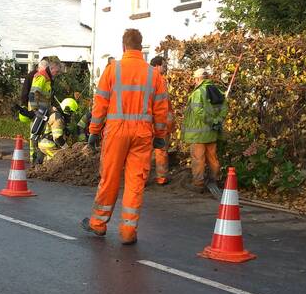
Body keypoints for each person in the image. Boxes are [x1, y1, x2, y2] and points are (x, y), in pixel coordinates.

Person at [82, 29, 171, 245]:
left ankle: (98, 223)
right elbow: (161, 109)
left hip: (116, 132)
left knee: (110, 178)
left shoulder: (113, 70)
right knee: (135, 181)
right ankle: (128, 231)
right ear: (141, 47)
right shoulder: (154, 74)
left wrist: (94, 132)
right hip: (142, 134)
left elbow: (100, 104)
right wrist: (160, 135)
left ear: (124, 47)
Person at [182, 67, 228, 192]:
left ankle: (198, 184)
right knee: (212, 158)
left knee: (198, 159)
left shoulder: (198, 93)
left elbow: (198, 112)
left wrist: (211, 121)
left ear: (197, 79)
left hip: (198, 134)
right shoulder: (217, 91)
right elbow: (224, 109)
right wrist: (217, 121)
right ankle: (214, 180)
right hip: (212, 133)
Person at [28, 56, 63, 164]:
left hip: (44, 110)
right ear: (52, 68)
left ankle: (42, 160)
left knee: (44, 133)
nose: (57, 74)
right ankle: (33, 159)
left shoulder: (48, 78)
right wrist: (34, 111)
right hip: (39, 111)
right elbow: (33, 93)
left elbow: (47, 96)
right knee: (36, 133)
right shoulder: (42, 77)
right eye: (57, 71)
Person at [147, 56, 176, 185]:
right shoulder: (160, 80)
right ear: (157, 66)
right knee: (161, 150)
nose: (165, 68)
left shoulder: (144, 78)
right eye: (164, 65)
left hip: (146, 121)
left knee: (144, 151)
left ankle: (141, 178)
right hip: (160, 122)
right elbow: (163, 104)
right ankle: (161, 178)